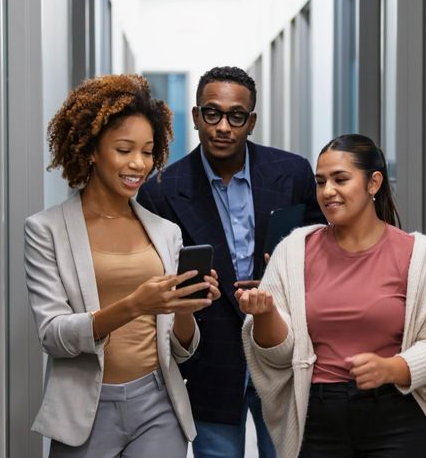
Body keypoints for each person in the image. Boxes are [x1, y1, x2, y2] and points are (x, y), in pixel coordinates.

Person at [24, 74, 220, 457]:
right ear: (92, 151)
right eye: (124, 149)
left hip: (158, 405)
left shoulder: (165, 232)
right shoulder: (45, 230)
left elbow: (182, 348)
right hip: (85, 410)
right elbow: (52, 335)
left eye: (148, 151)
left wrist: (183, 310)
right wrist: (135, 304)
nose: (139, 164)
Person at [137, 66, 325, 458]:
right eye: (212, 113)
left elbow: (323, 255)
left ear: (250, 121)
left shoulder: (291, 173)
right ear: (195, 116)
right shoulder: (161, 190)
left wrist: (286, 274)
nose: (223, 126)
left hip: (282, 348)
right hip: (210, 361)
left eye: (235, 116)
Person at [238, 134, 426, 458]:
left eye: (340, 179)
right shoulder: (292, 252)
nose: (327, 191)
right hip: (317, 421)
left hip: (398, 417)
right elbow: (277, 357)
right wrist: (264, 314)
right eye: (320, 182)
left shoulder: (417, 256)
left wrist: (393, 368)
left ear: (374, 183)